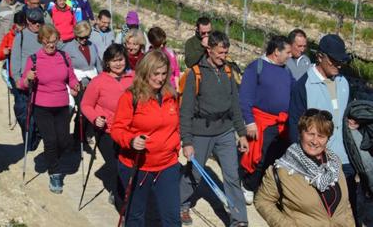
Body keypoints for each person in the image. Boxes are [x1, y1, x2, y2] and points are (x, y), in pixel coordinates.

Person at [179, 31, 249, 226]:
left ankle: (239, 220)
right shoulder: (195, 74)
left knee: (232, 175)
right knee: (194, 173)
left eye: (225, 53)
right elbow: (185, 112)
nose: (223, 57)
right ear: (208, 50)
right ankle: (181, 203)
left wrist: (241, 134)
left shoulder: (228, 71)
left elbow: (235, 104)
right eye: (219, 53)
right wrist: (187, 141)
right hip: (201, 132)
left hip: (225, 131)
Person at [288, 34, 359, 225]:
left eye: (341, 61)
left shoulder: (344, 83)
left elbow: (346, 116)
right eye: (334, 60)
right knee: (320, 212)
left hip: (345, 161)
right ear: (320, 57)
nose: (339, 65)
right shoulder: (303, 86)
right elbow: (294, 128)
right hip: (318, 163)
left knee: (348, 211)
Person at [111, 50, 180, 226]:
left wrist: (176, 146)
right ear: (145, 72)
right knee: (135, 215)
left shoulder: (170, 96)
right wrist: (132, 140)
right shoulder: (131, 97)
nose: (160, 78)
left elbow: (176, 125)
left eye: (164, 73)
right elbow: (117, 129)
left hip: (167, 164)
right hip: (138, 165)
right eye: (155, 73)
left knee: (172, 216)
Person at [255, 109, 355, 226]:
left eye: (321, 136)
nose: (315, 141)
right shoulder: (282, 169)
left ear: (328, 139)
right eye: (310, 134)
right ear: (300, 133)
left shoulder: (334, 163)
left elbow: (345, 205)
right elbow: (262, 201)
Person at [19, 24, 80, 194]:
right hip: (42, 106)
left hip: (61, 104)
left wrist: (75, 86)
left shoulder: (64, 56)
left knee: (64, 141)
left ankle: (51, 157)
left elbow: (71, 78)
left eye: (54, 41)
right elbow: (22, 84)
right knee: (51, 140)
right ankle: (55, 173)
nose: (51, 45)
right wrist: (28, 79)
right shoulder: (34, 59)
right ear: (41, 41)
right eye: (47, 42)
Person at [239, 35, 294, 203]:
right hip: (262, 122)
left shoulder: (286, 71)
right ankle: (248, 186)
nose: (291, 56)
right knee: (260, 158)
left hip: (281, 123)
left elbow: (294, 90)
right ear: (276, 51)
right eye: (288, 52)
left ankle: (264, 189)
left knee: (276, 158)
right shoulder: (256, 67)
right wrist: (249, 121)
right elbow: (245, 97)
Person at [81, 43, 134, 205]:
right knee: (117, 167)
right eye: (114, 60)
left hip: (128, 130)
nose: (118, 63)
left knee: (128, 168)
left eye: (121, 59)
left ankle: (124, 194)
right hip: (106, 131)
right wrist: (95, 118)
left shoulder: (134, 79)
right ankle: (121, 201)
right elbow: (86, 105)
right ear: (107, 62)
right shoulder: (98, 81)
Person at [62, 21, 102, 143]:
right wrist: (71, 85)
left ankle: (86, 133)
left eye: (87, 36)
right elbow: (65, 68)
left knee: (93, 109)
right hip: (78, 84)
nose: (85, 39)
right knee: (82, 111)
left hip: (92, 82)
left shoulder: (92, 46)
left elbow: (98, 64)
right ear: (76, 35)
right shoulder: (68, 48)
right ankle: (78, 137)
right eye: (82, 37)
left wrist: (102, 78)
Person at [10, 8, 44, 149]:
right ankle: (31, 136)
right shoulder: (21, 36)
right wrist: (17, 78)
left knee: (36, 112)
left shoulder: (45, 35)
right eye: (34, 22)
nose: (37, 25)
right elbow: (15, 58)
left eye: (39, 22)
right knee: (22, 111)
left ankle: (32, 140)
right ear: (28, 21)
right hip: (23, 82)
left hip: (40, 82)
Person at [147, 27, 180, 91]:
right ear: (152, 43)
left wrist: (177, 87)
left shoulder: (170, 53)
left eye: (164, 43)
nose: (162, 46)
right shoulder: (148, 56)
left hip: (171, 88)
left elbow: (176, 71)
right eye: (159, 44)